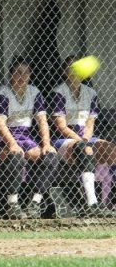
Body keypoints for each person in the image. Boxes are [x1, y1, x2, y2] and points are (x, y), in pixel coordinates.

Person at [0, 56, 60, 219]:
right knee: (16, 157)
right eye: (17, 73)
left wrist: (46, 144)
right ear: (10, 75)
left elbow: (42, 120)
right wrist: (12, 145)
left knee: (50, 156)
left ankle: (35, 203)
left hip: (25, 135)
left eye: (25, 73)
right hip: (5, 136)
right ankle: (12, 204)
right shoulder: (3, 93)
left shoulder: (34, 92)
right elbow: (0, 123)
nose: (21, 77)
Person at [51, 55, 116, 218]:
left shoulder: (90, 93)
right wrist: (81, 142)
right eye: (71, 69)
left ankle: (111, 200)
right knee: (84, 149)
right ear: (65, 72)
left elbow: (90, 124)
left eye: (77, 68)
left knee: (112, 150)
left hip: (85, 138)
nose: (75, 72)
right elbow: (61, 126)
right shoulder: (58, 92)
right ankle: (92, 204)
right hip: (64, 140)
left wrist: (85, 139)